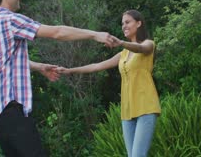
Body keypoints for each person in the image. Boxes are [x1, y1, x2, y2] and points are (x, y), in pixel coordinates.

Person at [0, 0, 114, 157]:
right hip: (9, 107)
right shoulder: (9, 20)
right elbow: (57, 32)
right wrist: (94, 35)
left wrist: (40, 67)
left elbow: (7, 63)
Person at [57, 10, 160, 157]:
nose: (124, 26)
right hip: (127, 110)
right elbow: (96, 66)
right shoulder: (123, 54)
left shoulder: (149, 44)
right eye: (122, 23)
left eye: (127, 22)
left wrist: (121, 42)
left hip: (146, 107)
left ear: (139, 23)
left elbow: (141, 48)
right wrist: (69, 70)